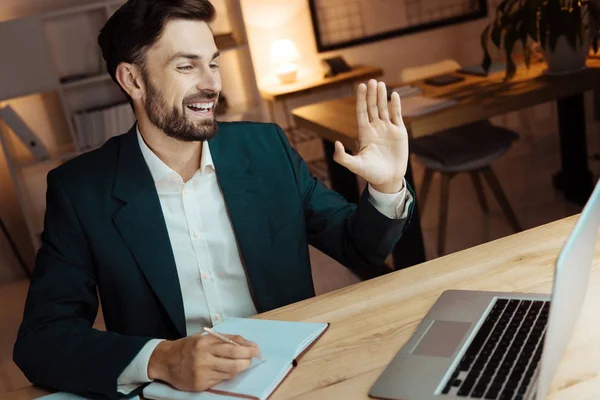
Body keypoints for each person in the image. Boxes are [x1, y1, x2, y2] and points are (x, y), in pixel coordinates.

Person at [13, 0, 415, 399]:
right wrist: (162, 358)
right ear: (132, 81)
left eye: (214, 63)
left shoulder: (267, 148)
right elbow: (42, 339)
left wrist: (386, 187)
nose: (211, 83)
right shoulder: (81, 191)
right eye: (186, 66)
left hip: (295, 379)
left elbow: (359, 248)